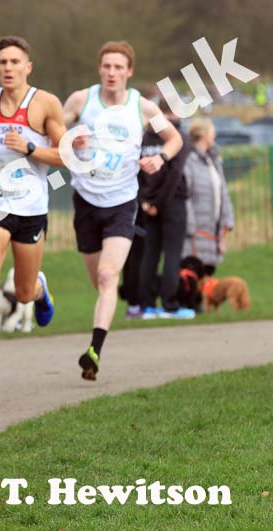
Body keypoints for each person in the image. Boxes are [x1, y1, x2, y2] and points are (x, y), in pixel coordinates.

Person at [63, 41, 183, 381]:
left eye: (119, 67)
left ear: (129, 72)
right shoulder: (80, 100)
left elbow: (175, 139)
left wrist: (159, 158)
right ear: (99, 69)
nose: (112, 72)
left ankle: (94, 350)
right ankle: (94, 302)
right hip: (85, 200)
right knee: (98, 280)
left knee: (106, 276)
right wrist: (72, 136)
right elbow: (52, 129)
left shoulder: (142, 107)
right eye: (107, 66)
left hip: (122, 201)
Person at [0, 36, 65, 395]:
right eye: (2, 62)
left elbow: (67, 154)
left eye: (15, 62)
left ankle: (39, 292)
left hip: (31, 208)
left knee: (22, 293)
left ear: (28, 67)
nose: (8, 68)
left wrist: (31, 147)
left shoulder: (44, 104)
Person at [138, 99, 194, 319]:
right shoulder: (178, 137)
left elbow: (137, 173)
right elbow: (174, 175)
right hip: (172, 203)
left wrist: (145, 201)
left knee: (150, 254)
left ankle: (147, 305)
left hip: (148, 203)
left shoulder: (144, 138)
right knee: (172, 254)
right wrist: (159, 204)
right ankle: (170, 304)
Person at [183, 117, 235, 276]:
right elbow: (186, 195)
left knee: (207, 276)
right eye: (212, 131)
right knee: (192, 278)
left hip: (213, 231)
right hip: (195, 232)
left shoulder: (214, 160)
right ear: (204, 134)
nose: (215, 135)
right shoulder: (189, 160)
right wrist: (190, 225)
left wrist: (228, 219)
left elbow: (223, 191)